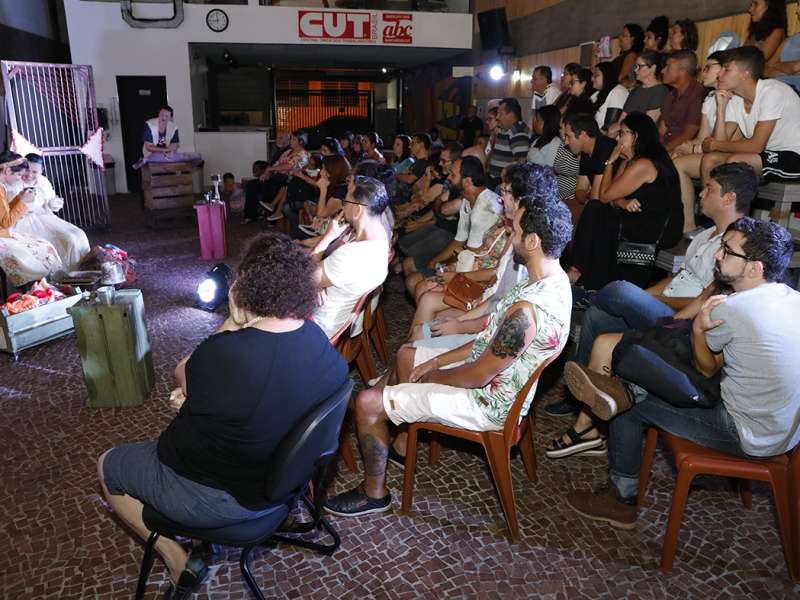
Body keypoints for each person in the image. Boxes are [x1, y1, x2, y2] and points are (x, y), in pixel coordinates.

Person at [97, 232, 349, 598]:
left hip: (224, 499)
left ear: (245, 288)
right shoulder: (319, 343)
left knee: (108, 464)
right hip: (279, 491)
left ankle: (178, 560)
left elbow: (183, 372)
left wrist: (232, 321)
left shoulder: (228, 355)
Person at [323, 195, 573, 516]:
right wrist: (436, 359)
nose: (510, 236)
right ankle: (401, 442)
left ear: (534, 240)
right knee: (407, 356)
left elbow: (477, 375)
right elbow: (490, 342)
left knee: (366, 402)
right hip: (487, 377)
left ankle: (374, 493)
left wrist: (432, 376)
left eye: (516, 231)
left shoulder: (527, 311)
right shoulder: (554, 283)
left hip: (486, 403)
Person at [565, 218, 800, 530]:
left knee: (623, 402)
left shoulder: (735, 309)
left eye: (728, 252)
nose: (718, 255)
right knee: (646, 374)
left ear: (755, 268)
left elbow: (706, 367)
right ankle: (623, 390)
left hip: (746, 433)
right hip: (784, 429)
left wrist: (700, 329)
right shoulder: (791, 297)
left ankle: (621, 499)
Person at [545, 163, 756, 444]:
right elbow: (677, 277)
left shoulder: (734, 249)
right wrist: (646, 295)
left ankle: (583, 295)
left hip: (684, 318)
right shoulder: (705, 235)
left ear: (730, 198)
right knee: (597, 317)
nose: (701, 194)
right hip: (666, 306)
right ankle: (585, 407)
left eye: (710, 189)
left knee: (619, 291)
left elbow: (707, 298)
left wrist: (646, 298)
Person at [569, 112, 683, 291]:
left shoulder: (644, 164)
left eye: (622, 133)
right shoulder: (630, 160)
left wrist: (609, 163)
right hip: (635, 217)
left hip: (657, 227)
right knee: (595, 209)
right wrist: (621, 202)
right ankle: (584, 277)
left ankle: (583, 277)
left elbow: (605, 196)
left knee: (597, 213)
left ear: (636, 135)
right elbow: (608, 198)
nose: (618, 138)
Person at [403, 156, 502, 294]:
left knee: (414, 282)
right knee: (412, 268)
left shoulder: (485, 208)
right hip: (468, 258)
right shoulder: (467, 200)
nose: (448, 178)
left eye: (453, 175)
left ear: (467, 181)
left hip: (479, 270)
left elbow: (473, 254)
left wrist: (446, 265)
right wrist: (436, 261)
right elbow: (459, 241)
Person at [702, 45, 800, 181]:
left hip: (794, 154)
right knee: (710, 160)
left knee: (736, 160)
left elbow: (756, 146)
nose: (719, 74)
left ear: (745, 74)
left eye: (726, 69)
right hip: (767, 154)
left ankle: (730, 202)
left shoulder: (772, 91)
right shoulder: (735, 98)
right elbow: (719, 147)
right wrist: (721, 108)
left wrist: (714, 144)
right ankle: (709, 200)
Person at [310, 175, 390, 338]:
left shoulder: (351, 255)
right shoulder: (381, 238)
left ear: (358, 209)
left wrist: (326, 238)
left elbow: (305, 276)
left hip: (319, 328)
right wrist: (320, 283)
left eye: (346, 202)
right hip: (344, 321)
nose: (343, 207)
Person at [671, 52, 736, 233]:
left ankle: (703, 223)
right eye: (703, 68)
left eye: (708, 68)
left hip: (729, 153)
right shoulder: (709, 99)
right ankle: (685, 223)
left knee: (689, 162)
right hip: (710, 150)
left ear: (724, 69)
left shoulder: (734, 97)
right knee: (675, 159)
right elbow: (703, 136)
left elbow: (723, 140)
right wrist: (685, 147)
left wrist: (693, 147)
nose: (703, 72)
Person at [13, 154, 90, 270]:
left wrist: (53, 203)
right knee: (66, 239)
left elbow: (50, 201)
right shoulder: (15, 182)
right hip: (25, 220)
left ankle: (83, 270)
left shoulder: (43, 181)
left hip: (46, 217)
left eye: (35, 172)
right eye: (27, 170)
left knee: (78, 234)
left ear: (41, 171)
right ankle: (66, 273)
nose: (30, 175)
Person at [0, 151, 63, 286]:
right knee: (42, 249)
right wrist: (23, 202)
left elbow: (4, 213)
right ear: (7, 171)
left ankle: (41, 285)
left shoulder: (2, 187)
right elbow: (6, 222)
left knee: (44, 245)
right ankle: (36, 287)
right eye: (18, 175)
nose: (21, 178)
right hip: (3, 233)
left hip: (5, 229)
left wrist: (19, 198)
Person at [561, 113, 616, 224]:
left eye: (568, 136)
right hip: (596, 206)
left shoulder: (604, 148)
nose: (565, 142)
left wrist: (588, 197)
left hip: (613, 209)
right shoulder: (586, 152)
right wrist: (587, 198)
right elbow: (579, 190)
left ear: (583, 135)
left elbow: (596, 198)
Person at [609, 50, 669, 136]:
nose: (635, 70)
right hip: (627, 134)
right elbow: (621, 121)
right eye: (635, 66)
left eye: (639, 66)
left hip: (643, 139)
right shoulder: (635, 90)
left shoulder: (661, 91)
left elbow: (646, 125)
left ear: (653, 68)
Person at [658, 50, 705, 153]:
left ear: (682, 71)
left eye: (668, 67)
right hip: (665, 148)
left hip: (682, 151)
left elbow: (688, 135)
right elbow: (662, 130)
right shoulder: (670, 95)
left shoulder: (697, 94)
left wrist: (661, 153)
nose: (663, 71)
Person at [488, 98, 530, 186]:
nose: (497, 117)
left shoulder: (518, 132)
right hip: (495, 179)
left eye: (500, 114)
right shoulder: (506, 129)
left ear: (511, 115)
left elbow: (521, 163)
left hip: (502, 183)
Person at [764, 2, 800, 90]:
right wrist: (789, 70)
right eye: (798, 5)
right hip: (772, 86)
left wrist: (776, 65)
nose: (797, 11)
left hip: (793, 90)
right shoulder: (790, 40)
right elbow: (765, 70)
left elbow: (796, 67)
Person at [591, 62, 629, 133]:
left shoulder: (618, 92)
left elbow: (610, 128)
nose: (592, 79)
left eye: (596, 75)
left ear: (607, 75)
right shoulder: (596, 94)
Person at [395, 133, 431, 204]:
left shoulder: (423, 163)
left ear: (421, 144)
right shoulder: (417, 162)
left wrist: (395, 175)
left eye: (413, 143)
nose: (410, 146)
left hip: (412, 201)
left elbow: (409, 180)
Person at [612, 24, 644, 88]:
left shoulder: (631, 56)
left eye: (623, 35)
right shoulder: (625, 54)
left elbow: (622, 78)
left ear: (632, 39)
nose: (619, 37)